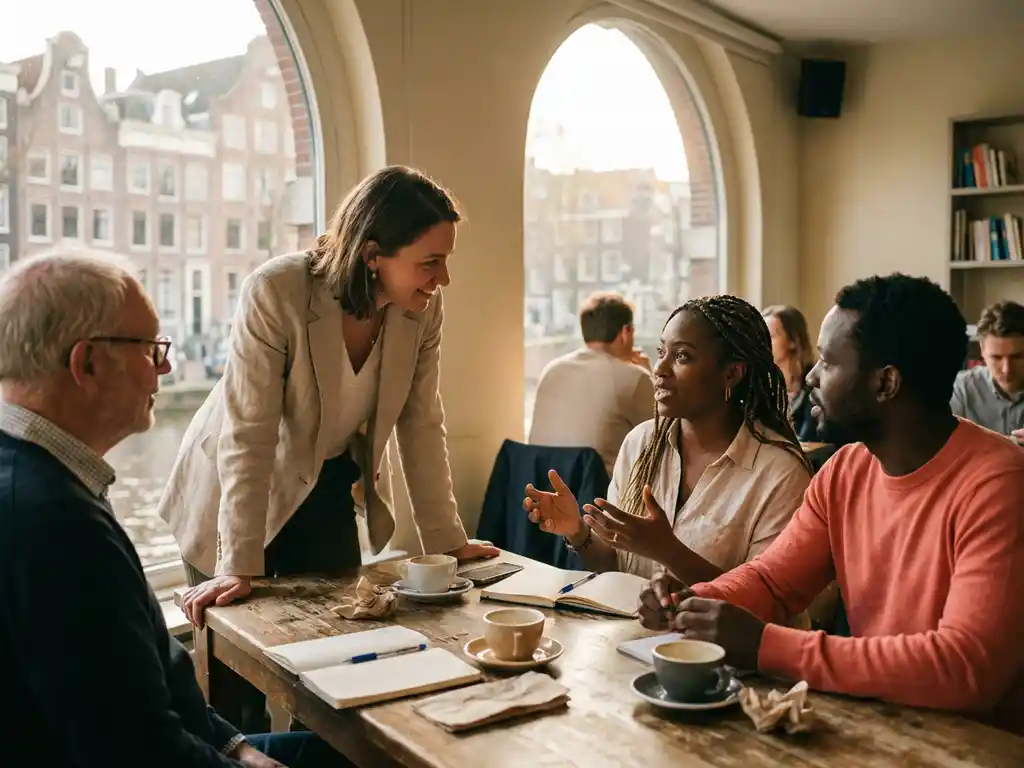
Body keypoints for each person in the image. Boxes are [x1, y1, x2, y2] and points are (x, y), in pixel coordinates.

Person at [0, 250, 346, 766]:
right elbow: (138, 752)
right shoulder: (54, 525)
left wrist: (237, 747)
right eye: (149, 349)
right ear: (87, 363)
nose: (165, 366)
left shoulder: (50, 477)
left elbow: (148, 669)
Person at [641, 274, 1024, 732]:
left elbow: (964, 668)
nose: (811, 376)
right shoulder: (846, 470)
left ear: (886, 383)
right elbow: (774, 581)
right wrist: (696, 600)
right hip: (883, 727)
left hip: (978, 744)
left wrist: (767, 645)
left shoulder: (999, 484)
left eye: (827, 361)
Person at [158, 166, 497, 627]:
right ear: (373, 255)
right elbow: (249, 433)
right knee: (242, 649)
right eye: (430, 262)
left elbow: (421, 423)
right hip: (233, 490)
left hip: (326, 482)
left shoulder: (423, 308)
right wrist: (237, 563)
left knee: (339, 631)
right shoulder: (276, 290)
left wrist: (447, 543)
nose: (445, 278)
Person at [524, 295, 813, 581]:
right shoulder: (640, 443)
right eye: (662, 352)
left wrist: (668, 552)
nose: (659, 370)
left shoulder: (780, 474)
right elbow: (615, 566)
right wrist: (577, 531)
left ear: (732, 373)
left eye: (682, 356)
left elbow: (765, 599)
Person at [528, 291, 655, 475]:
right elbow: (663, 438)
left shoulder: (551, 370)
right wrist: (648, 375)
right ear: (625, 332)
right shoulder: (635, 378)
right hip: (598, 490)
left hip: (542, 487)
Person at [951, 300, 1024, 442]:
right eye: (996, 357)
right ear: (982, 351)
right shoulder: (961, 389)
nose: (1007, 369)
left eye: (1017, 357)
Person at [762, 304, 818, 442]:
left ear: (793, 340)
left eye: (770, 336)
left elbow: (807, 441)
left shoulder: (814, 386)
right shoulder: (760, 387)